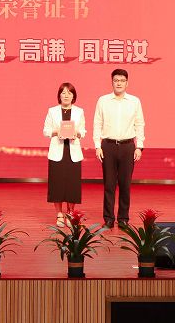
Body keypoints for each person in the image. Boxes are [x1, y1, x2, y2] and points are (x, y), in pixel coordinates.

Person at [92, 68, 145, 229]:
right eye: (116, 80)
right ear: (112, 82)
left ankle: (123, 218)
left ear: (127, 83)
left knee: (125, 184)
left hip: (128, 146)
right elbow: (97, 123)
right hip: (108, 146)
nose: (119, 83)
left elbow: (139, 124)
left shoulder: (134, 101)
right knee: (109, 184)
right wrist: (97, 145)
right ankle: (108, 218)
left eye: (122, 81)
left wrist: (139, 146)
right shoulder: (103, 100)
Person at [43, 82, 86, 226]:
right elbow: (46, 131)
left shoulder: (79, 111)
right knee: (57, 184)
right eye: (63, 92)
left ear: (73, 96)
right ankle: (59, 214)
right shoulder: (52, 111)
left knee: (72, 185)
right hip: (57, 151)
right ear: (59, 95)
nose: (66, 95)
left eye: (69, 93)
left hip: (73, 151)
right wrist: (57, 131)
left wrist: (77, 133)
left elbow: (83, 131)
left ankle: (70, 213)